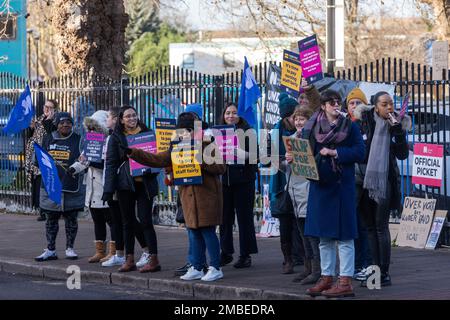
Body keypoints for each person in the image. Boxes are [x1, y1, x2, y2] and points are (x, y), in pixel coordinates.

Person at [125, 112, 226, 282]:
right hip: (188, 199)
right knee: (193, 232)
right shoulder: (176, 147)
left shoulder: (207, 144)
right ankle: (197, 266)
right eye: (180, 131)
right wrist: (134, 153)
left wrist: (199, 160)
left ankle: (216, 267)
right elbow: (157, 159)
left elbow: (221, 168)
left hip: (207, 198)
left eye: (187, 130)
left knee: (208, 232)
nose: (183, 134)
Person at [303, 90, 365, 298]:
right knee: (324, 236)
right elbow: (306, 151)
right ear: (323, 106)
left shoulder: (350, 126)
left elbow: (360, 152)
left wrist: (335, 153)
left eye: (338, 102)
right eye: (331, 102)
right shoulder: (312, 126)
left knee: (345, 236)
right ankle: (327, 277)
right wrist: (296, 158)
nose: (336, 105)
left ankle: (345, 281)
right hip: (320, 185)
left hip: (341, 186)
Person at [353, 91, 410, 287]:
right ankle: (374, 271)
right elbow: (359, 149)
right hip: (363, 181)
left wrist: (399, 133)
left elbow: (402, 155)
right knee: (369, 227)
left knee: (380, 227)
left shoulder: (396, 125)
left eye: (391, 104)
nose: (389, 108)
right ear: (375, 106)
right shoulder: (364, 122)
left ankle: (384, 273)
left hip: (383, 181)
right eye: (384, 104)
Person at [102, 106, 160, 273]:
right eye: (127, 116)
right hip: (124, 184)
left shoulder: (147, 133)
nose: (132, 119)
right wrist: (108, 189)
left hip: (145, 183)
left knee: (146, 221)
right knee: (127, 222)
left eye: (134, 115)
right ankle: (129, 259)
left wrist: (153, 168)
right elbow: (111, 164)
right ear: (121, 119)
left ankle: (153, 258)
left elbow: (155, 156)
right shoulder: (116, 137)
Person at [35, 112, 86, 261]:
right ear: (56, 124)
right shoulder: (47, 138)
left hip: (71, 185)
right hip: (51, 185)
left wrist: (75, 168)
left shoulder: (79, 139)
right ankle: (51, 250)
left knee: (71, 218)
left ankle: (70, 248)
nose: (65, 125)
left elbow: (85, 160)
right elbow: (38, 159)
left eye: (68, 122)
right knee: (51, 219)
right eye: (62, 122)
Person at [69, 110, 117, 263]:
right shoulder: (91, 143)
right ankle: (99, 251)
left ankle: (114, 251)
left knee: (112, 221)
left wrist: (89, 162)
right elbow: (84, 159)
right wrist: (74, 168)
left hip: (104, 187)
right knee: (98, 221)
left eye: (95, 128)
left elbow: (106, 164)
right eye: (89, 128)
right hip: (92, 189)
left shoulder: (109, 141)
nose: (91, 131)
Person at [283, 105, 321, 285]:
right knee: (301, 231)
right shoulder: (290, 139)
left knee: (311, 232)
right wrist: (285, 161)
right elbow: (286, 167)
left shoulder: (313, 138)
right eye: (296, 118)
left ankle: (317, 269)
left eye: (302, 119)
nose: (298, 122)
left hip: (307, 188)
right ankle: (307, 267)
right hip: (294, 190)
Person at [219, 102, 258, 269]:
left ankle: (245, 255)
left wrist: (240, 153)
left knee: (244, 219)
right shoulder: (218, 132)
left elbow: (256, 156)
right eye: (228, 113)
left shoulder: (248, 131)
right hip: (224, 181)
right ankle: (226, 252)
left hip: (244, 181)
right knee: (224, 219)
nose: (230, 116)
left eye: (234, 113)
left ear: (238, 115)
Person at [269, 93, 304, 274]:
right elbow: (268, 158)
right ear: (285, 117)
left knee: (300, 223)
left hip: (300, 182)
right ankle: (288, 259)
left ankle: (302, 258)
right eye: (293, 117)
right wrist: (281, 160)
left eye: (298, 117)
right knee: (285, 222)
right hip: (281, 183)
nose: (296, 120)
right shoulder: (275, 132)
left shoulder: (303, 132)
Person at [345, 88, 373, 279]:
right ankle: (355, 265)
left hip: (367, 180)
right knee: (352, 224)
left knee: (366, 224)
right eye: (351, 103)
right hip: (350, 181)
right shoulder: (344, 125)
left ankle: (367, 264)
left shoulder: (369, 124)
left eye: (358, 102)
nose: (354, 106)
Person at [25, 99, 58, 221]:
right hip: (35, 154)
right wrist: (31, 128)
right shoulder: (39, 119)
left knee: (46, 182)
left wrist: (49, 120)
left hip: (46, 154)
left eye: (50, 107)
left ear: (54, 109)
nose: (47, 109)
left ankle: (48, 210)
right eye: (46, 106)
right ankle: (41, 209)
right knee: (37, 182)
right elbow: (32, 136)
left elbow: (51, 134)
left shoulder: (55, 120)